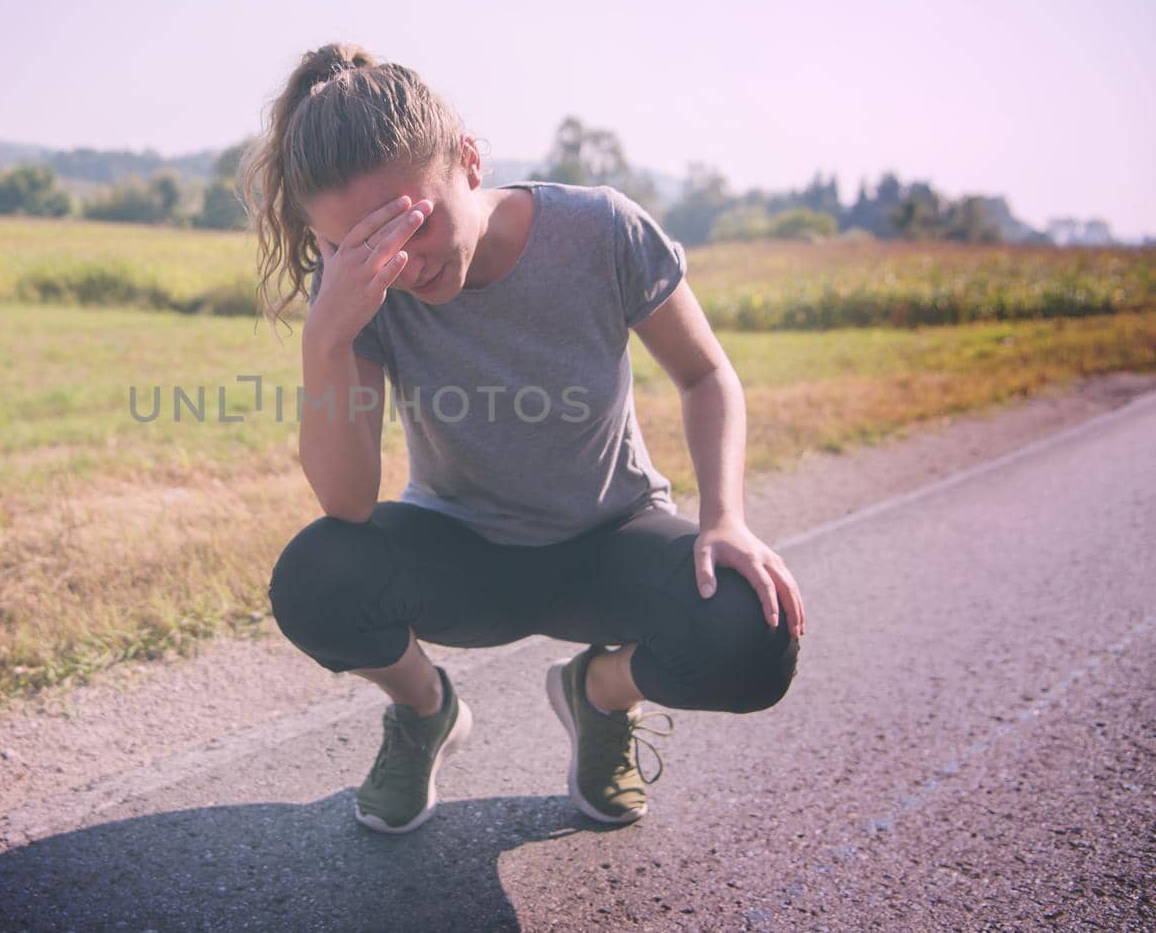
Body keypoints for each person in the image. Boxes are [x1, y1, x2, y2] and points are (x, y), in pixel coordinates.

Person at [243, 42, 804, 834]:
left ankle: (599, 696)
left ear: (470, 160)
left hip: (610, 541)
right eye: (360, 247)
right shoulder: (358, 299)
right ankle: (426, 711)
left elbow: (707, 377)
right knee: (316, 575)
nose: (400, 266)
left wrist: (725, 519)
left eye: (414, 224)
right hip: (462, 554)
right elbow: (347, 500)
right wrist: (326, 338)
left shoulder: (599, 230)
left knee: (753, 631)